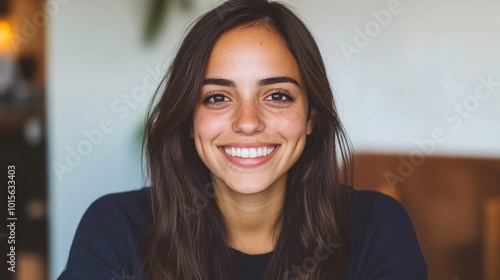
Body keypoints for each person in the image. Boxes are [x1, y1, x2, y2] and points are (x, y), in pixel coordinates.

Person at [58, 0, 427, 279]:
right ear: (189, 120)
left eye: (277, 95)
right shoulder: (118, 230)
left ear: (311, 116)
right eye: (217, 97)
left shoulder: (377, 230)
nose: (248, 122)